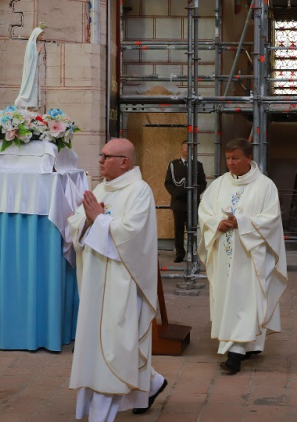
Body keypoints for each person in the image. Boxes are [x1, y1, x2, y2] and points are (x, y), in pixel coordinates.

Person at [68, 138, 167, 421]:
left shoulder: (139, 191)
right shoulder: (101, 188)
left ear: (124, 161)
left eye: (106, 156)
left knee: (116, 346)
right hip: (96, 283)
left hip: (123, 284)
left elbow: (133, 236)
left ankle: (102, 412)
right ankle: (152, 383)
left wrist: (98, 219)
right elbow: (76, 224)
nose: (100, 160)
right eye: (100, 155)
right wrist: (86, 221)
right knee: (113, 344)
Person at [197, 138, 288, 375]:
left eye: (235, 158)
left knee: (247, 300)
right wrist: (218, 222)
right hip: (224, 254)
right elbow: (204, 211)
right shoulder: (218, 184)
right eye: (227, 158)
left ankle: (235, 352)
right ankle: (249, 345)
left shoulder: (265, 186)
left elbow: (271, 219)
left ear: (249, 158)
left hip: (251, 257)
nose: (230, 163)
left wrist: (243, 222)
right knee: (230, 300)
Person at [164, 140, 207, 263]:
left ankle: (192, 252)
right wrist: (177, 194)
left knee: (192, 229)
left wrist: (194, 193)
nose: (189, 150)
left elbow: (203, 183)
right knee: (178, 230)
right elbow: (168, 183)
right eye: (186, 148)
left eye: (191, 148)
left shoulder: (198, 165)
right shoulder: (174, 165)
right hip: (178, 203)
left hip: (192, 203)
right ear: (181, 149)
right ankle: (179, 253)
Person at [15, 27, 44, 109]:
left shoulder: (33, 44)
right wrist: (37, 51)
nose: (41, 37)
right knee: (29, 86)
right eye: (40, 35)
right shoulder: (31, 44)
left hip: (33, 70)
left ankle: (30, 105)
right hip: (30, 70)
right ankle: (24, 100)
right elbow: (29, 57)